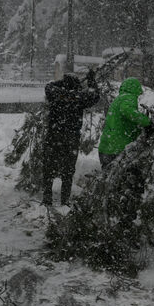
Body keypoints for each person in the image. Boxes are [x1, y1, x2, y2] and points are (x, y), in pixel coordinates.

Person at [41, 70, 100, 206]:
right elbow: (95, 96)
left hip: (53, 135)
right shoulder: (80, 97)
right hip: (71, 137)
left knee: (49, 168)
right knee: (68, 170)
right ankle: (65, 200)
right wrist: (91, 81)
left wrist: (62, 82)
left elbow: (48, 87)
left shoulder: (56, 93)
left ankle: (47, 199)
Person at [98, 77, 153, 169]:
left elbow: (126, 121)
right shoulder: (129, 97)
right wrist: (147, 123)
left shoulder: (119, 99)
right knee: (123, 179)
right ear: (135, 89)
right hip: (117, 148)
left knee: (108, 177)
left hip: (106, 147)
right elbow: (127, 111)